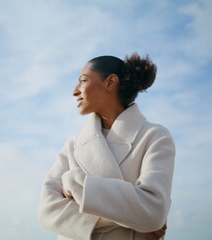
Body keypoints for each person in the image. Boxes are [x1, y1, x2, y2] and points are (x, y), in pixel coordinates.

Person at [38, 53, 175, 240]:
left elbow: (152, 212)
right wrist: (132, 218)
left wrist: (75, 182)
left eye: (83, 80)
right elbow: (47, 211)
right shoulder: (73, 145)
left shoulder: (154, 136)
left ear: (110, 82)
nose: (74, 91)